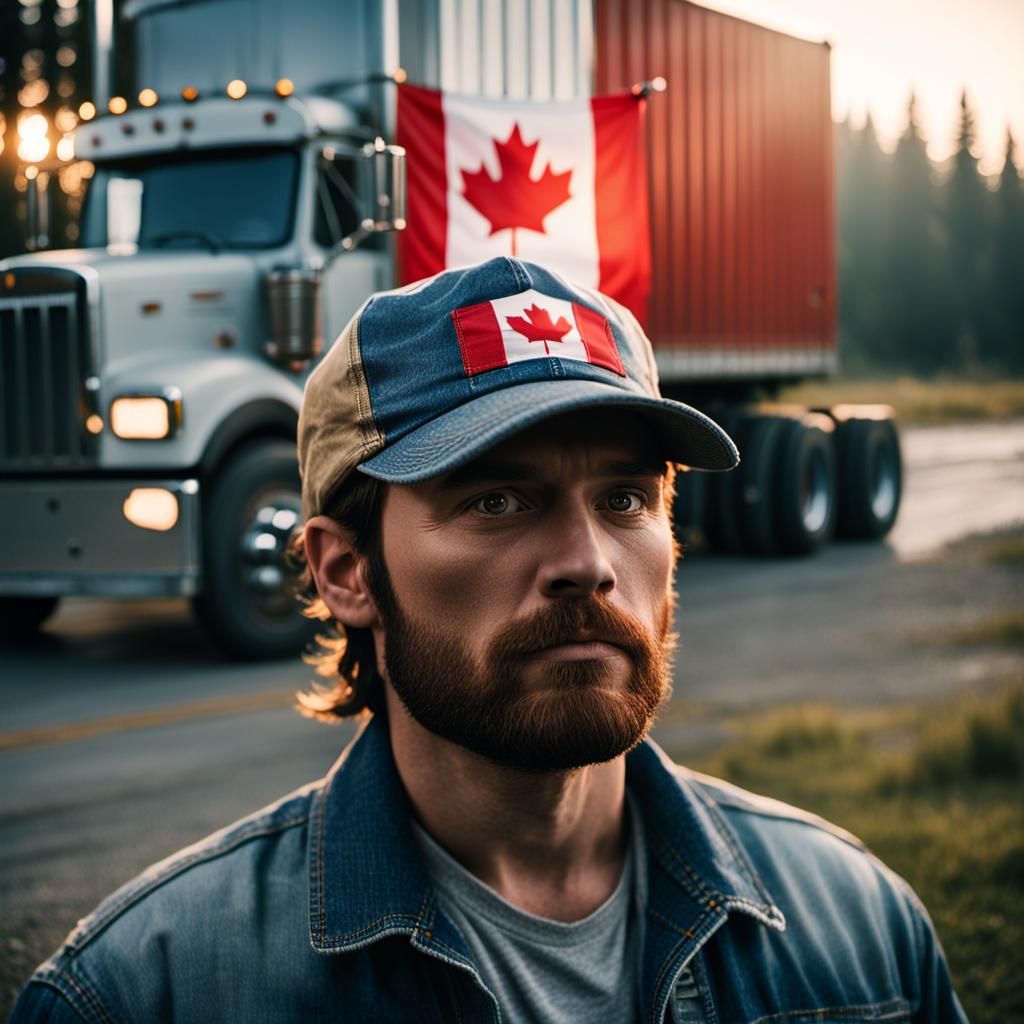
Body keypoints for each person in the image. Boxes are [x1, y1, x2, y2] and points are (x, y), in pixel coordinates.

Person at [11, 258, 965, 1023]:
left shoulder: (859, 930)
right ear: (346, 572)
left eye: (624, 498)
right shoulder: (145, 990)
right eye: (497, 501)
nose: (587, 563)